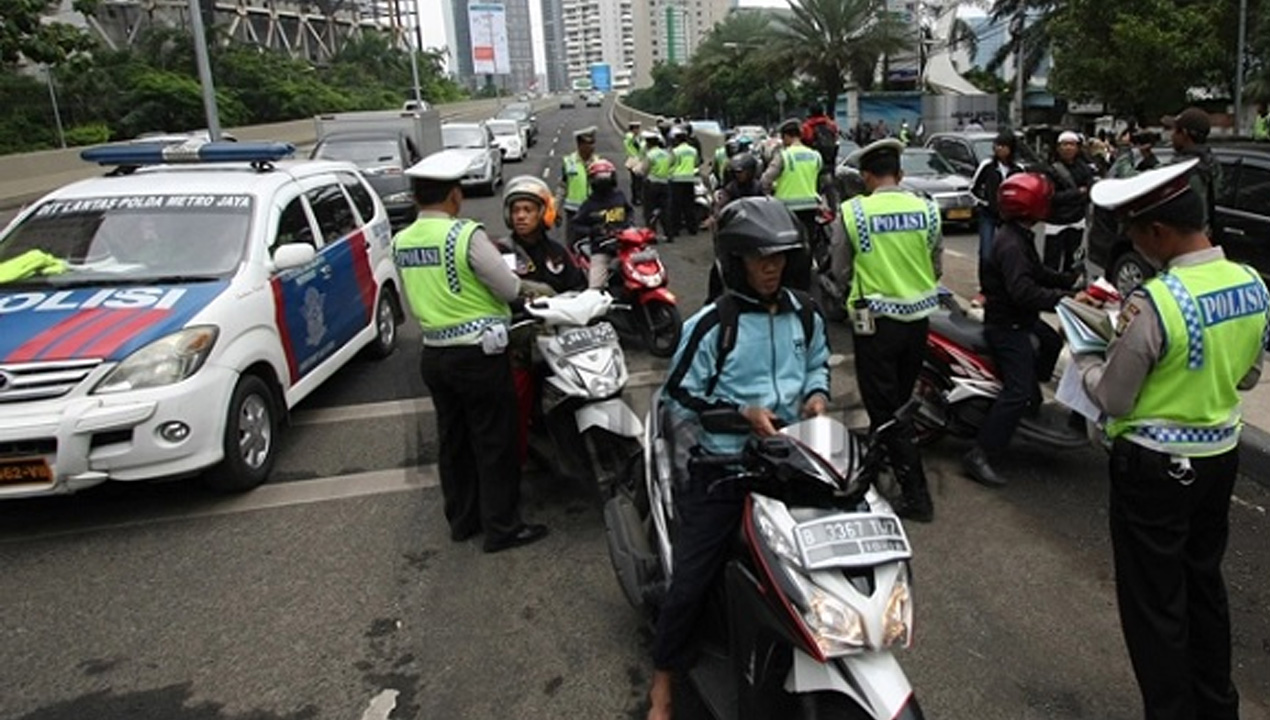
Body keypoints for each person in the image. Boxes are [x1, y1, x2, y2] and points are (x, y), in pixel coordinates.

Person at [1075, 159, 1267, 720]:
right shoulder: (1252, 284)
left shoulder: (1157, 302)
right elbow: (1247, 376)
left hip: (1154, 467)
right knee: (1203, 583)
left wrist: (1087, 359)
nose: (1134, 243)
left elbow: (1113, 399)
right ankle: (1217, 704)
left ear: (1158, 233)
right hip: (1218, 457)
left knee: (1155, 603)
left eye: (1135, 231)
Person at [645, 196, 830, 720]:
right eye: (758, 258)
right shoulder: (711, 324)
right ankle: (663, 683)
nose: (770, 268)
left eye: (779, 258)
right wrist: (741, 414)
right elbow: (680, 396)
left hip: (791, 463)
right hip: (724, 468)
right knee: (689, 582)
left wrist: (816, 396)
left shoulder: (807, 314)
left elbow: (818, 366)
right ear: (735, 262)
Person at [393, 150, 549, 553]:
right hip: (478, 355)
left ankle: (462, 521)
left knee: (454, 441)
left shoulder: (402, 240)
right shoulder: (464, 235)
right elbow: (510, 289)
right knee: (494, 441)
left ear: (415, 198)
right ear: (454, 196)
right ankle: (502, 528)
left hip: (434, 354)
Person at [829, 138, 940, 521]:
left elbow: (840, 268)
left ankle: (916, 496)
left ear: (865, 176)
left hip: (876, 323)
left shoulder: (853, 212)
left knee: (884, 406)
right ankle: (877, 468)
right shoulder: (927, 209)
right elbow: (936, 263)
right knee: (901, 399)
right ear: (901, 174)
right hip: (918, 322)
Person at [961, 173, 1083, 486]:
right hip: (1007, 325)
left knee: (1052, 343)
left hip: (1022, 319)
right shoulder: (1011, 243)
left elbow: (1036, 272)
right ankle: (979, 454)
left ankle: (1032, 399)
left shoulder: (1018, 234)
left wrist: (1067, 280)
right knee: (1015, 392)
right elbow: (1023, 291)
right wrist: (1065, 300)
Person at [497, 176, 587, 467]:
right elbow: (501, 292)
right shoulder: (501, 253)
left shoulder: (557, 253)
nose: (521, 216)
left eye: (528, 209)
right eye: (516, 210)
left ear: (542, 213)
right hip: (521, 345)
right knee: (517, 405)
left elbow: (580, 288)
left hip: (561, 343)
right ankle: (517, 461)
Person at [969, 131, 1024, 304]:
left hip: (1009, 218)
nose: (999, 149)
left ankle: (1007, 286)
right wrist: (985, 203)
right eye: (997, 145)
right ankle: (985, 290)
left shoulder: (1019, 169)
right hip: (988, 215)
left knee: (1011, 252)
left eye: (1003, 146)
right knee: (986, 253)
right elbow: (973, 188)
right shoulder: (987, 166)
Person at [572, 158, 635, 289]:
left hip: (625, 246)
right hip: (601, 249)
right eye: (600, 178)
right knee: (595, 288)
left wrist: (629, 225)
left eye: (607, 177)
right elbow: (576, 225)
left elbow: (629, 211)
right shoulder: (589, 204)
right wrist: (593, 231)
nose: (604, 181)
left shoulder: (619, 196)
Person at [760, 118, 823, 242]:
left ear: (787, 136)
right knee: (808, 241)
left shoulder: (784, 155)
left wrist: (769, 193)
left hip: (786, 208)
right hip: (810, 206)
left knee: (789, 243)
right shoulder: (815, 155)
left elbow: (765, 179)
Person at [1043, 130, 1096, 274]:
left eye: (1072, 144)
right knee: (1051, 261)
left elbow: (1090, 192)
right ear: (1058, 148)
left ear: (1078, 148)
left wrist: (1079, 195)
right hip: (1056, 222)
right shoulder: (1051, 170)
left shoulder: (1084, 169)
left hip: (1077, 220)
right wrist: (1077, 193)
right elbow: (1052, 197)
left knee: (1073, 260)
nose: (1068, 148)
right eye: (1064, 144)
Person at [1162, 107, 1222, 232]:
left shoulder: (1179, 169)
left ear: (1184, 134)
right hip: (1204, 237)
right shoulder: (1212, 163)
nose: (1172, 136)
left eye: (1175, 131)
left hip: (1181, 240)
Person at [557, 126, 603, 238]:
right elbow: (562, 187)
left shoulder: (599, 163)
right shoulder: (569, 162)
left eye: (593, 143)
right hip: (574, 212)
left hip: (594, 211)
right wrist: (556, 208)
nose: (592, 147)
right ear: (579, 144)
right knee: (573, 244)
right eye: (589, 144)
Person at [668, 128, 700, 240]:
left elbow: (671, 164)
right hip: (690, 179)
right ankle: (693, 228)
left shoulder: (675, 151)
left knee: (676, 206)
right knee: (689, 205)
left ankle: (675, 229)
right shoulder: (693, 150)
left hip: (677, 179)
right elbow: (696, 163)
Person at [640, 131, 673, 235]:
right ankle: (668, 233)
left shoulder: (650, 155)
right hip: (665, 183)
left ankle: (652, 234)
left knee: (649, 210)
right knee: (665, 210)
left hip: (652, 184)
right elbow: (671, 164)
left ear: (648, 143)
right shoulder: (666, 154)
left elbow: (644, 170)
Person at [623, 120, 644, 206]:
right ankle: (636, 198)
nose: (638, 130)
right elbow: (637, 146)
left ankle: (636, 197)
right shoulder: (630, 137)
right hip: (634, 160)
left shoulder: (637, 137)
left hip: (638, 160)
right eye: (636, 128)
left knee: (638, 180)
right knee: (636, 180)